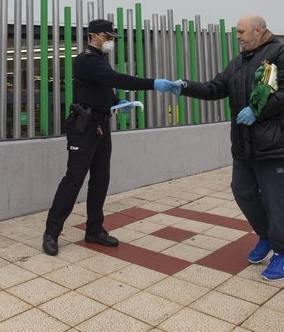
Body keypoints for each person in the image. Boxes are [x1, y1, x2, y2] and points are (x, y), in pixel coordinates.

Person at [178, 14, 284, 281]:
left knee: (275, 200)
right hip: (244, 144)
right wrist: (184, 87)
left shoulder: (282, 53)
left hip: (275, 144)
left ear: (258, 31)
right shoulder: (238, 62)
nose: (237, 36)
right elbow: (216, 88)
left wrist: (258, 112)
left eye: (241, 32)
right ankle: (267, 237)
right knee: (242, 191)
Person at [43, 19, 181, 256]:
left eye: (112, 38)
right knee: (74, 179)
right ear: (94, 36)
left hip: (101, 126)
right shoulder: (87, 59)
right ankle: (51, 233)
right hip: (83, 127)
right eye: (107, 37)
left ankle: (94, 229)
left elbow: (104, 87)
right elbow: (114, 79)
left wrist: (118, 102)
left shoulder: (98, 60)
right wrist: (154, 84)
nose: (110, 42)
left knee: (101, 178)